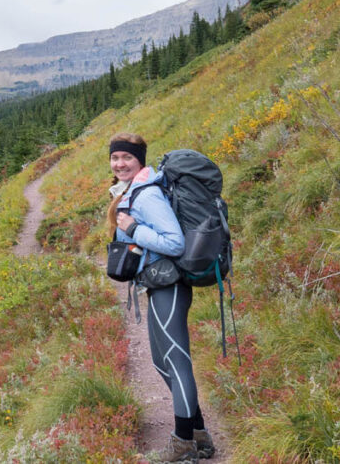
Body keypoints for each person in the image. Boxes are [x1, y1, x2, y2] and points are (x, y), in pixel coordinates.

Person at [107, 132, 215, 463]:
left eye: (127, 157)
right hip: (158, 284)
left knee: (176, 362)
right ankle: (198, 436)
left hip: (170, 285)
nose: (120, 163)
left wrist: (133, 228)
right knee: (161, 362)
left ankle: (183, 443)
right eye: (115, 158)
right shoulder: (134, 190)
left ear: (140, 159)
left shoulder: (147, 195)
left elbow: (175, 242)